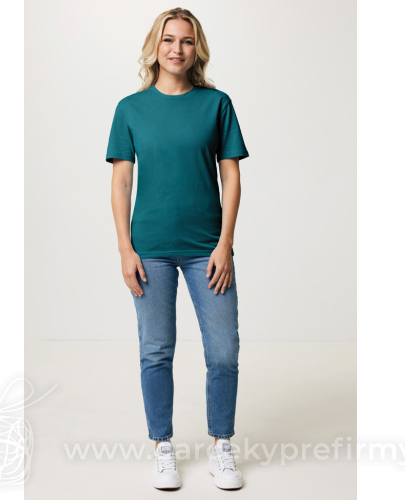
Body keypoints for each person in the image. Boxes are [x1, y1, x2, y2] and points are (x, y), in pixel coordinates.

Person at [105, 7, 249, 491]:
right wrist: (125, 249)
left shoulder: (217, 104)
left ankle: (222, 444)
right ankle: (162, 447)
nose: (177, 49)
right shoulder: (131, 109)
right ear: (155, 46)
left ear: (197, 49)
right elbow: (121, 182)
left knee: (223, 351)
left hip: (208, 248)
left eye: (187, 41)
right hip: (150, 249)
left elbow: (231, 176)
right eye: (169, 39)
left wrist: (225, 243)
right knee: (156, 350)